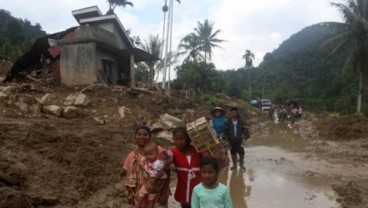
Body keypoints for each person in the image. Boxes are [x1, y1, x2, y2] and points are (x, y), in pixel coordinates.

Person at [122, 125, 172, 208]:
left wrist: (164, 194)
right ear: (135, 137)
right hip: (139, 197)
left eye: (145, 134)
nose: (142, 137)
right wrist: (130, 195)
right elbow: (128, 178)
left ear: (149, 137)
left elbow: (167, 172)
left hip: (157, 195)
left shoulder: (159, 152)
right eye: (139, 134)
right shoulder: (132, 156)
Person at [171, 126, 202, 208]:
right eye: (176, 139)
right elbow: (166, 163)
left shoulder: (197, 150)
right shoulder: (173, 152)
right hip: (183, 190)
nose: (179, 142)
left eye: (182, 139)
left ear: (188, 139)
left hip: (199, 189)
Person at [136, 142, 169, 208]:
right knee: (147, 197)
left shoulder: (158, 163)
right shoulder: (149, 162)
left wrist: (154, 179)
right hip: (153, 180)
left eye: (150, 154)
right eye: (146, 154)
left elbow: (161, 172)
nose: (148, 156)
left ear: (156, 153)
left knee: (144, 196)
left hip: (157, 181)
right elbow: (146, 169)